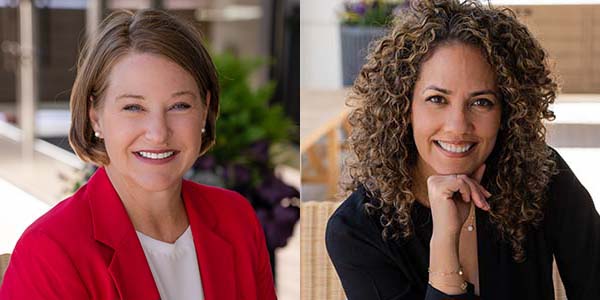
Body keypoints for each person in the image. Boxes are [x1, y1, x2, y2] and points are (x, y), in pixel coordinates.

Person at [326, 1, 600, 299]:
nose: (458, 126)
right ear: (405, 107)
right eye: (437, 99)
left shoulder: (541, 175)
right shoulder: (355, 230)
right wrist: (445, 240)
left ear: (506, 112)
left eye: (481, 102)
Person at [0, 9, 276, 300]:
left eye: (179, 105)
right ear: (95, 116)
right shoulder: (50, 252)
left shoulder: (236, 218)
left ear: (205, 109)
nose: (158, 133)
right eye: (133, 107)